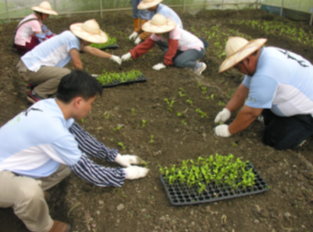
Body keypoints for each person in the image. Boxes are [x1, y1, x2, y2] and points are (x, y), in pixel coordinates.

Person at [0, 70, 149, 232]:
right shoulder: (52, 129)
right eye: (91, 103)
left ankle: (24, 196)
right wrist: (126, 174)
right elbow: (89, 172)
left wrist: (115, 157)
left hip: (10, 163)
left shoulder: (50, 105)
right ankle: (45, 227)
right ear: (78, 102)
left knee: (65, 166)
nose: (91, 108)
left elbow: (81, 138)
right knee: (28, 192)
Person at [214, 36, 313, 150]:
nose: (238, 71)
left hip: (309, 111)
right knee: (260, 106)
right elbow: (244, 87)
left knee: (273, 140)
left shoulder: (265, 74)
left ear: (246, 60)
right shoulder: (265, 55)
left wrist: (229, 130)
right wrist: (228, 110)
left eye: (237, 67)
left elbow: (251, 112)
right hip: (300, 96)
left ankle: (303, 133)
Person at [17, 19, 122, 103]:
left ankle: (36, 85)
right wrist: (86, 78)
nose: (90, 42)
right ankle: (37, 94)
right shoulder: (72, 40)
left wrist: (111, 56)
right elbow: (77, 64)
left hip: (28, 66)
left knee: (61, 73)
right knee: (66, 75)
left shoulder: (71, 37)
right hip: (28, 69)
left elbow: (92, 50)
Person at [121, 14, 207, 75]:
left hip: (196, 48)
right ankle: (188, 58)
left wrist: (165, 64)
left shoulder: (174, 31)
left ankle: (198, 65)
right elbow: (146, 45)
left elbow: (172, 48)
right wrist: (131, 53)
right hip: (183, 49)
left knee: (179, 62)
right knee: (169, 54)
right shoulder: (157, 34)